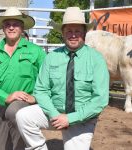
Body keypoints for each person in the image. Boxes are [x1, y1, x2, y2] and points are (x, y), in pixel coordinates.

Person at [16, 7, 109, 150]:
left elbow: (100, 99)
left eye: (77, 31)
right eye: (69, 31)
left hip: (82, 118)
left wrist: (69, 118)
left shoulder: (96, 59)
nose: (73, 35)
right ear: (63, 33)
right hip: (54, 112)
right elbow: (41, 90)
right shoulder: (52, 57)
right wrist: (55, 114)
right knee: (23, 116)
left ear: (84, 33)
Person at [0, 7, 46, 150]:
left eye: (15, 24)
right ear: (2, 28)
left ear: (22, 27)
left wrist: (35, 97)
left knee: (20, 145)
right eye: (7, 24)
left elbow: (47, 79)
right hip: (0, 105)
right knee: (3, 146)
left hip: (25, 106)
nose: (11, 27)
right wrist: (5, 97)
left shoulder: (35, 51)